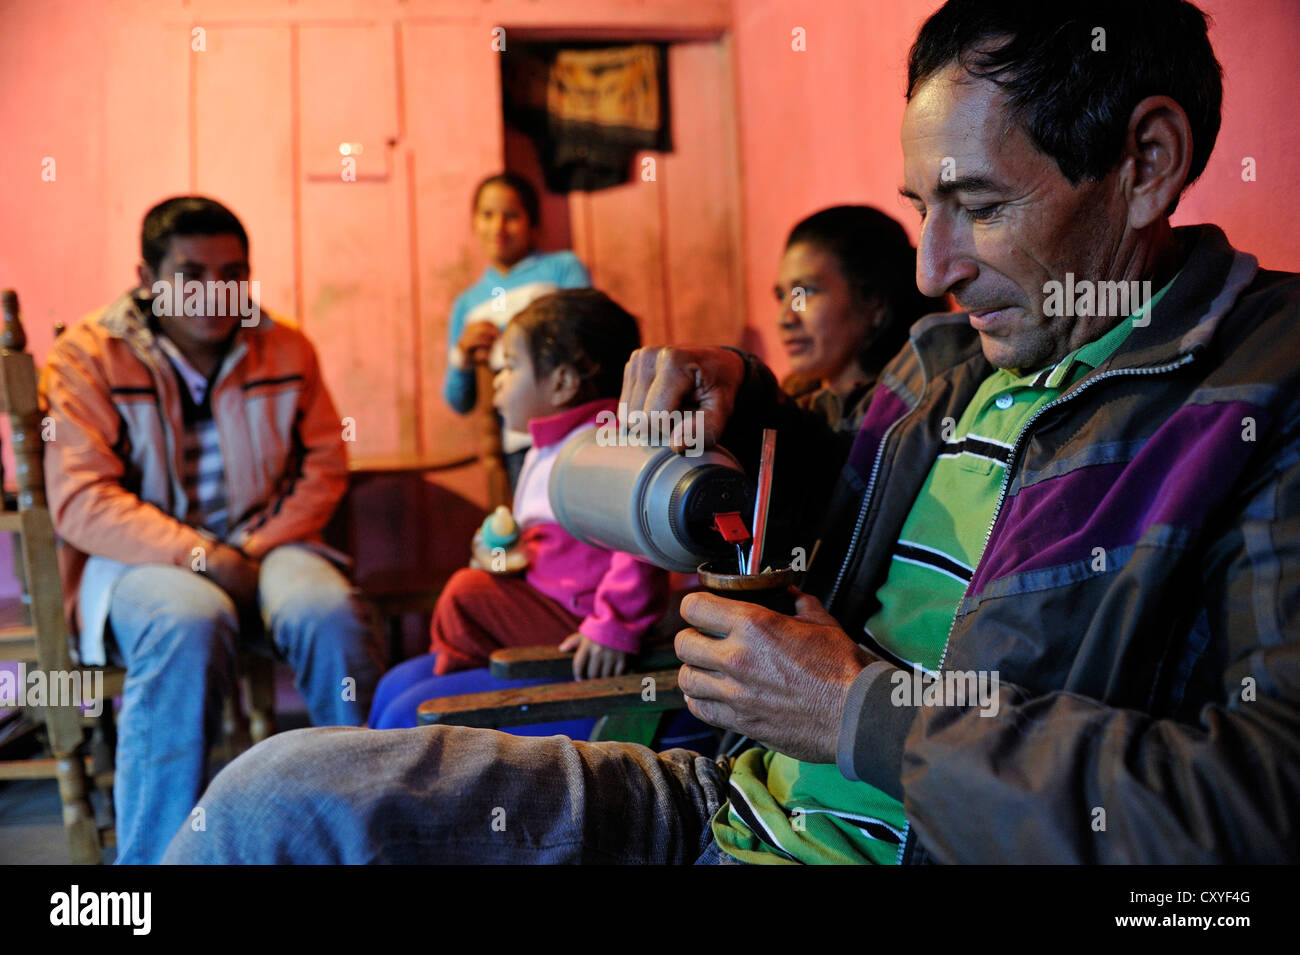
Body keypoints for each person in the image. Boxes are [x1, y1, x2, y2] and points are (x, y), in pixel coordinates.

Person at [164, 0, 1299, 865]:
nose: (930, 269)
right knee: (278, 793)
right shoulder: (947, 360)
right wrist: (745, 404)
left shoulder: (1263, 396)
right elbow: (841, 536)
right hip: (722, 801)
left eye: (982, 208)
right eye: (921, 210)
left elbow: (1258, 802)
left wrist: (859, 715)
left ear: (1146, 164)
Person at [41, 196, 385, 864]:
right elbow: (81, 498)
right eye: (190, 273)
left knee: (330, 613)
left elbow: (323, 467)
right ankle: (150, 870)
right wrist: (201, 557)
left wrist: (248, 550)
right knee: (188, 621)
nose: (215, 293)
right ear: (146, 277)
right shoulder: (87, 356)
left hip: (265, 542)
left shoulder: (285, 345)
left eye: (233, 272)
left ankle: (374, 828)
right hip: (139, 562)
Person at [369, 289, 667, 729]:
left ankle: (467, 703)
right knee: (410, 664)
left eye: (509, 367)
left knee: (465, 593)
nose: (499, 381)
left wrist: (612, 625)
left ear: (564, 382)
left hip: (580, 626)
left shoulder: (605, 442)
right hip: (552, 605)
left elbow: (643, 536)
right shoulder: (545, 445)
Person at [443, 173, 591, 489]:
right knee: (534, 528)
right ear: (474, 223)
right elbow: (458, 401)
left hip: (576, 429)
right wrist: (462, 354)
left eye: (511, 216)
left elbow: (590, 337)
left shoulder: (562, 269)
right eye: (487, 215)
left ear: (532, 223)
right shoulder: (467, 305)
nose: (498, 227)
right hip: (517, 443)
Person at [776, 206, 945, 434]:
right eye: (781, 296)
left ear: (874, 301)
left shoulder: (923, 417)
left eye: (805, 292)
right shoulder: (785, 409)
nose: (785, 319)